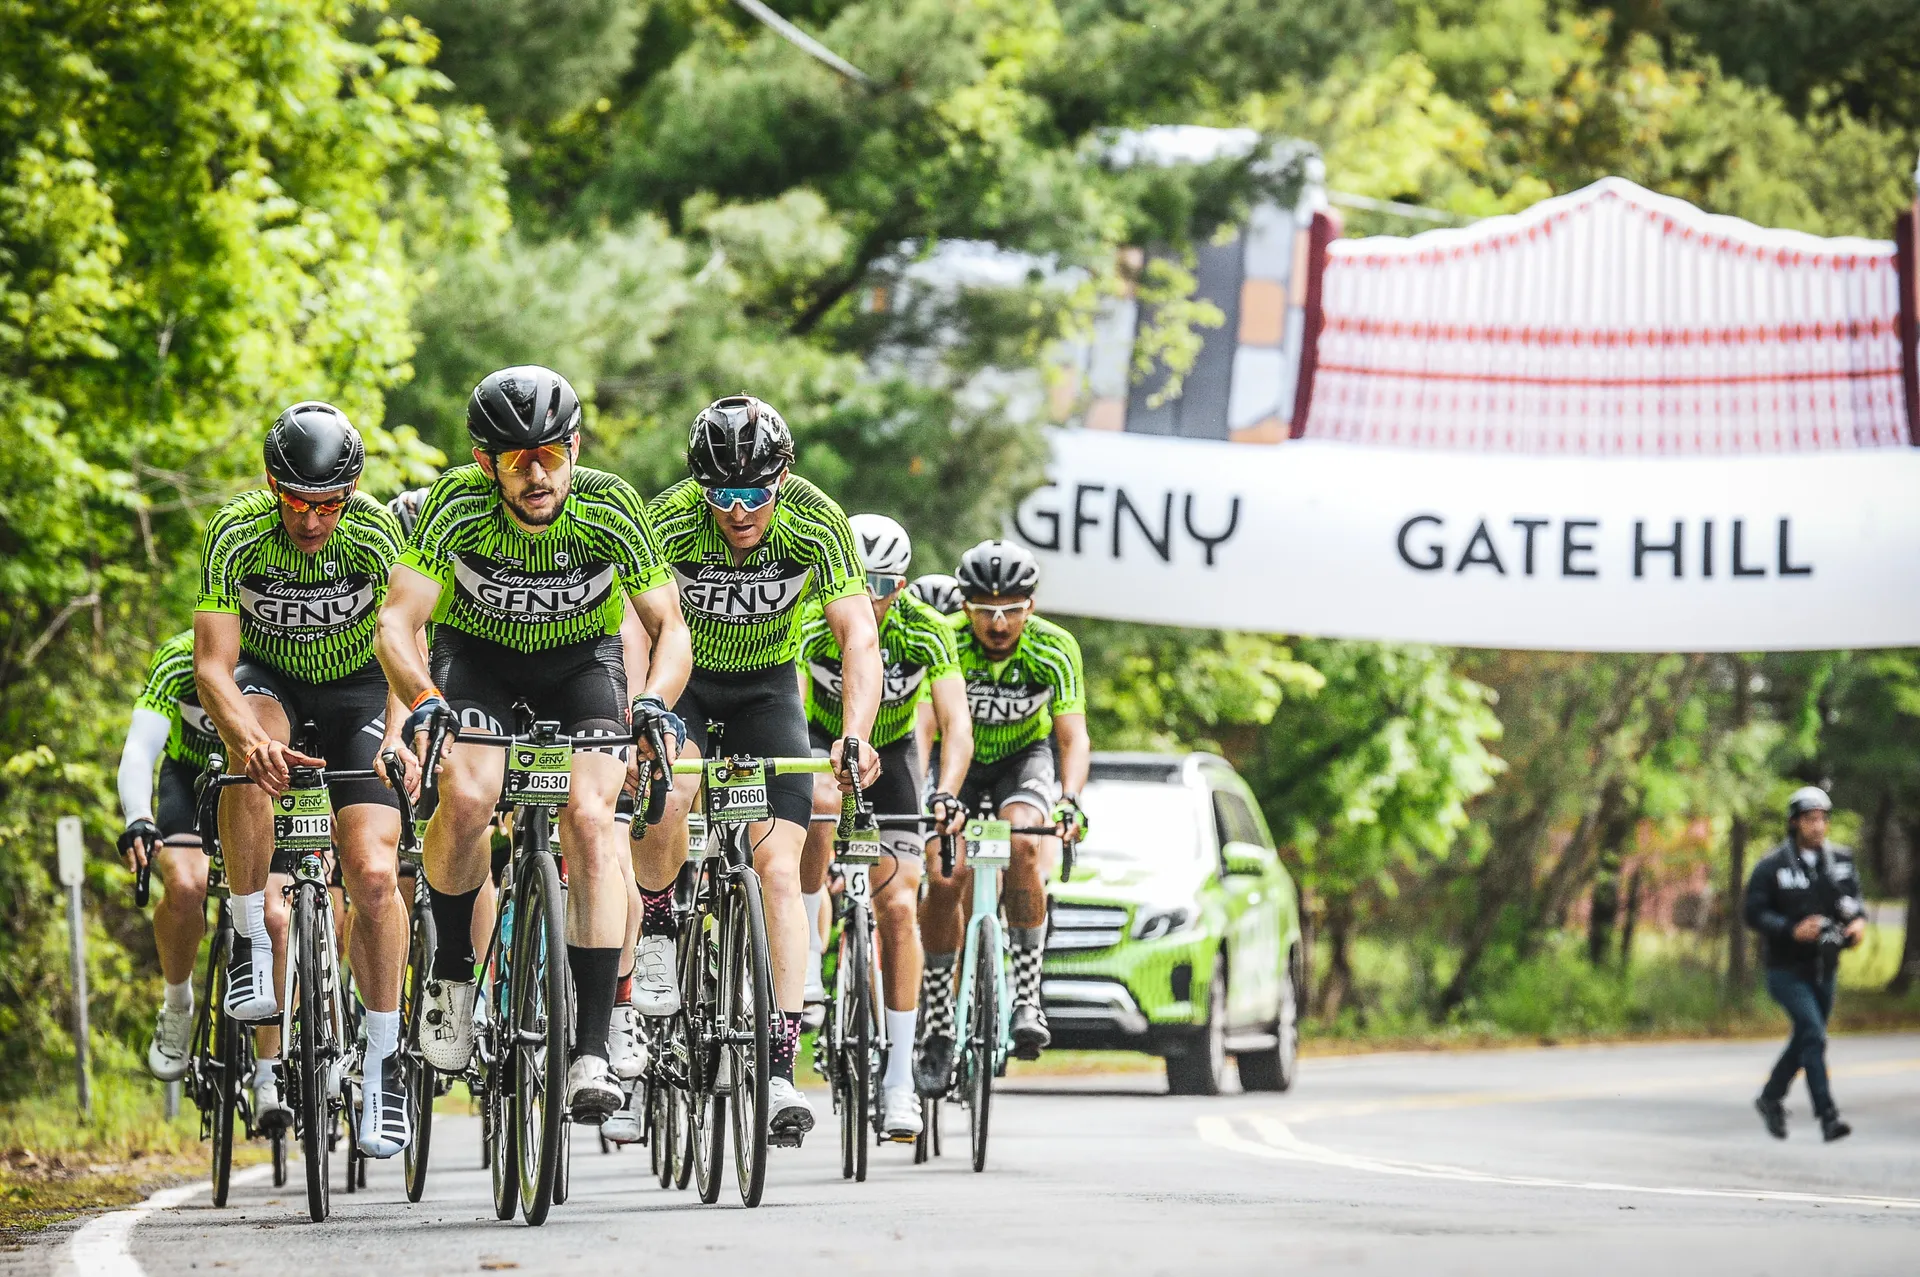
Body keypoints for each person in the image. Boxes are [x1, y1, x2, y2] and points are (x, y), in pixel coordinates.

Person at [375, 365, 690, 1124]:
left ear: (574, 447)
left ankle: (591, 1047)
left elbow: (669, 625)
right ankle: (454, 972)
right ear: (485, 462)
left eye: (550, 454)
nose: (537, 474)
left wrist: (652, 699)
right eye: (517, 460)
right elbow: (395, 622)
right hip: (479, 662)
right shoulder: (455, 505)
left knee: (592, 818)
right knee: (469, 794)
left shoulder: (611, 505)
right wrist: (423, 700)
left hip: (581, 666)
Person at [632, 393, 882, 1143]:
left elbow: (858, 637)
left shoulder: (816, 519)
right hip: (686, 684)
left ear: (783, 477)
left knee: (779, 870)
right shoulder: (667, 518)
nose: (739, 510)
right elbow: (630, 628)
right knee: (672, 787)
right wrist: (640, 714)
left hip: (768, 691)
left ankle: (778, 1068)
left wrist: (856, 734)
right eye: (722, 494)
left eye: (755, 491)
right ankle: (657, 924)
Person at [193, 402, 411, 1157]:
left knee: (374, 874)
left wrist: (398, 734)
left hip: (360, 688)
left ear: (350, 493)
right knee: (247, 759)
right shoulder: (236, 532)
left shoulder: (377, 532)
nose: (312, 519)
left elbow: (403, 644)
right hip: (271, 680)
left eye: (328, 503)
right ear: (271, 484)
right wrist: (248, 739)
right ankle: (252, 935)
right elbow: (212, 665)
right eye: (296, 501)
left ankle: (383, 1060)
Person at [795, 515, 971, 1139]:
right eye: (860, 580)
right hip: (819, 742)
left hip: (892, 759)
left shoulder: (925, 629)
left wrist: (945, 792)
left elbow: (956, 723)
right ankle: (809, 956)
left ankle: (899, 1081)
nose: (870, 597)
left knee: (898, 907)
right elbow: (789, 698)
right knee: (819, 799)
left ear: (903, 585)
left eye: (885, 585)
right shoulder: (812, 618)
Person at [917, 539, 1088, 1094]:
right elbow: (925, 724)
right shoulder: (943, 639)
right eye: (984, 609)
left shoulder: (1054, 648)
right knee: (946, 874)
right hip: (956, 761)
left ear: (1031, 606)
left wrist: (1070, 799)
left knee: (1023, 844)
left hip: (1021, 759)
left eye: (1012, 609)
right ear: (963, 605)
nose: (998, 622)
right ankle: (938, 1017)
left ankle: (1027, 995)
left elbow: (1072, 736)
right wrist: (930, 791)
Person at [117, 631, 293, 1130]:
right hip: (193, 778)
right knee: (186, 884)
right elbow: (140, 745)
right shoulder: (178, 658)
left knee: (277, 917)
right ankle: (177, 1004)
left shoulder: (276, 654)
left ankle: (269, 1072)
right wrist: (138, 815)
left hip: (263, 780)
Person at [1745, 785, 1865, 1142]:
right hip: (1785, 969)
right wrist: (1791, 929)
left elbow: (1854, 904)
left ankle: (1770, 1098)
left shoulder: (1840, 860)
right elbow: (1753, 913)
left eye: (1822, 819)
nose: (1818, 826)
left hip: (1825, 966)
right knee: (1813, 1034)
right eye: (1810, 819)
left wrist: (1857, 924)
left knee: (1807, 1039)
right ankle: (1828, 1116)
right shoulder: (1772, 865)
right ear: (1795, 822)